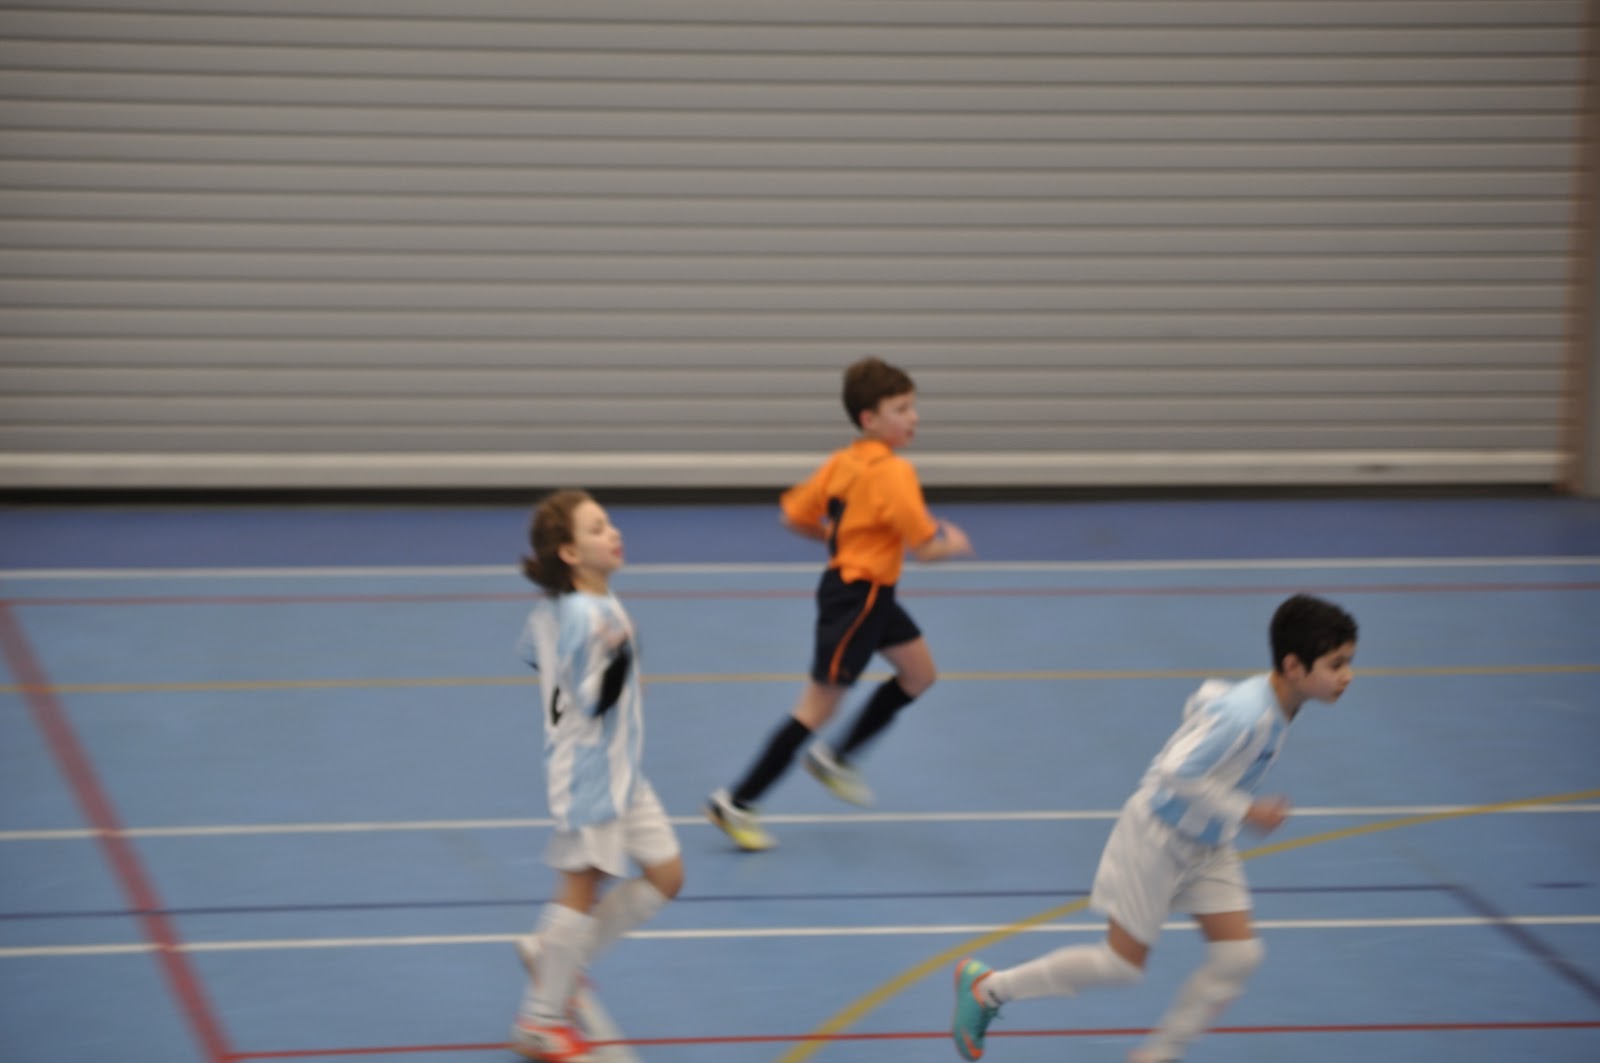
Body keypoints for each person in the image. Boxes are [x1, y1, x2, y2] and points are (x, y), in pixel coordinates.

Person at [950, 593, 1359, 1063]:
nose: (1347, 676)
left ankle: (1159, 1055)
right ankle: (989, 988)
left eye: (1348, 662)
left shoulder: (1275, 704)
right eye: (1336, 664)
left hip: (1207, 843)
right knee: (1121, 966)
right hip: (1158, 837)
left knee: (1239, 957)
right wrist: (1247, 809)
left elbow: (1206, 698)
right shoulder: (1249, 715)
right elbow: (1175, 772)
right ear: (1292, 666)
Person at [705, 356, 974, 851]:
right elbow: (925, 547)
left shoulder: (842, 462)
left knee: (919, 674)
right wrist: (953, 544)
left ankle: (838, 758)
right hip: (858, 600)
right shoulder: (895, 473)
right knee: (816, 708)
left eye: (913, 407)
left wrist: (840, 537)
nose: (913, 418)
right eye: (901, 409)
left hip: (871, 594)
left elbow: (793, 516)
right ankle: (737, 802)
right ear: (869, 418)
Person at [510, 489, 685, 1062]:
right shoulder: (594, 618)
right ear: (569, 553)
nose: (613, 534)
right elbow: (593, 700)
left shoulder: (558, 607)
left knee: (667, 875)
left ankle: (558, 955)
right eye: (596, 529)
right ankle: (540, 1020)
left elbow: (534, 652)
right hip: (591, 773)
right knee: (582, 887)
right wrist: (619, 660)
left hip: (622, 769)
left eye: (608, 524)